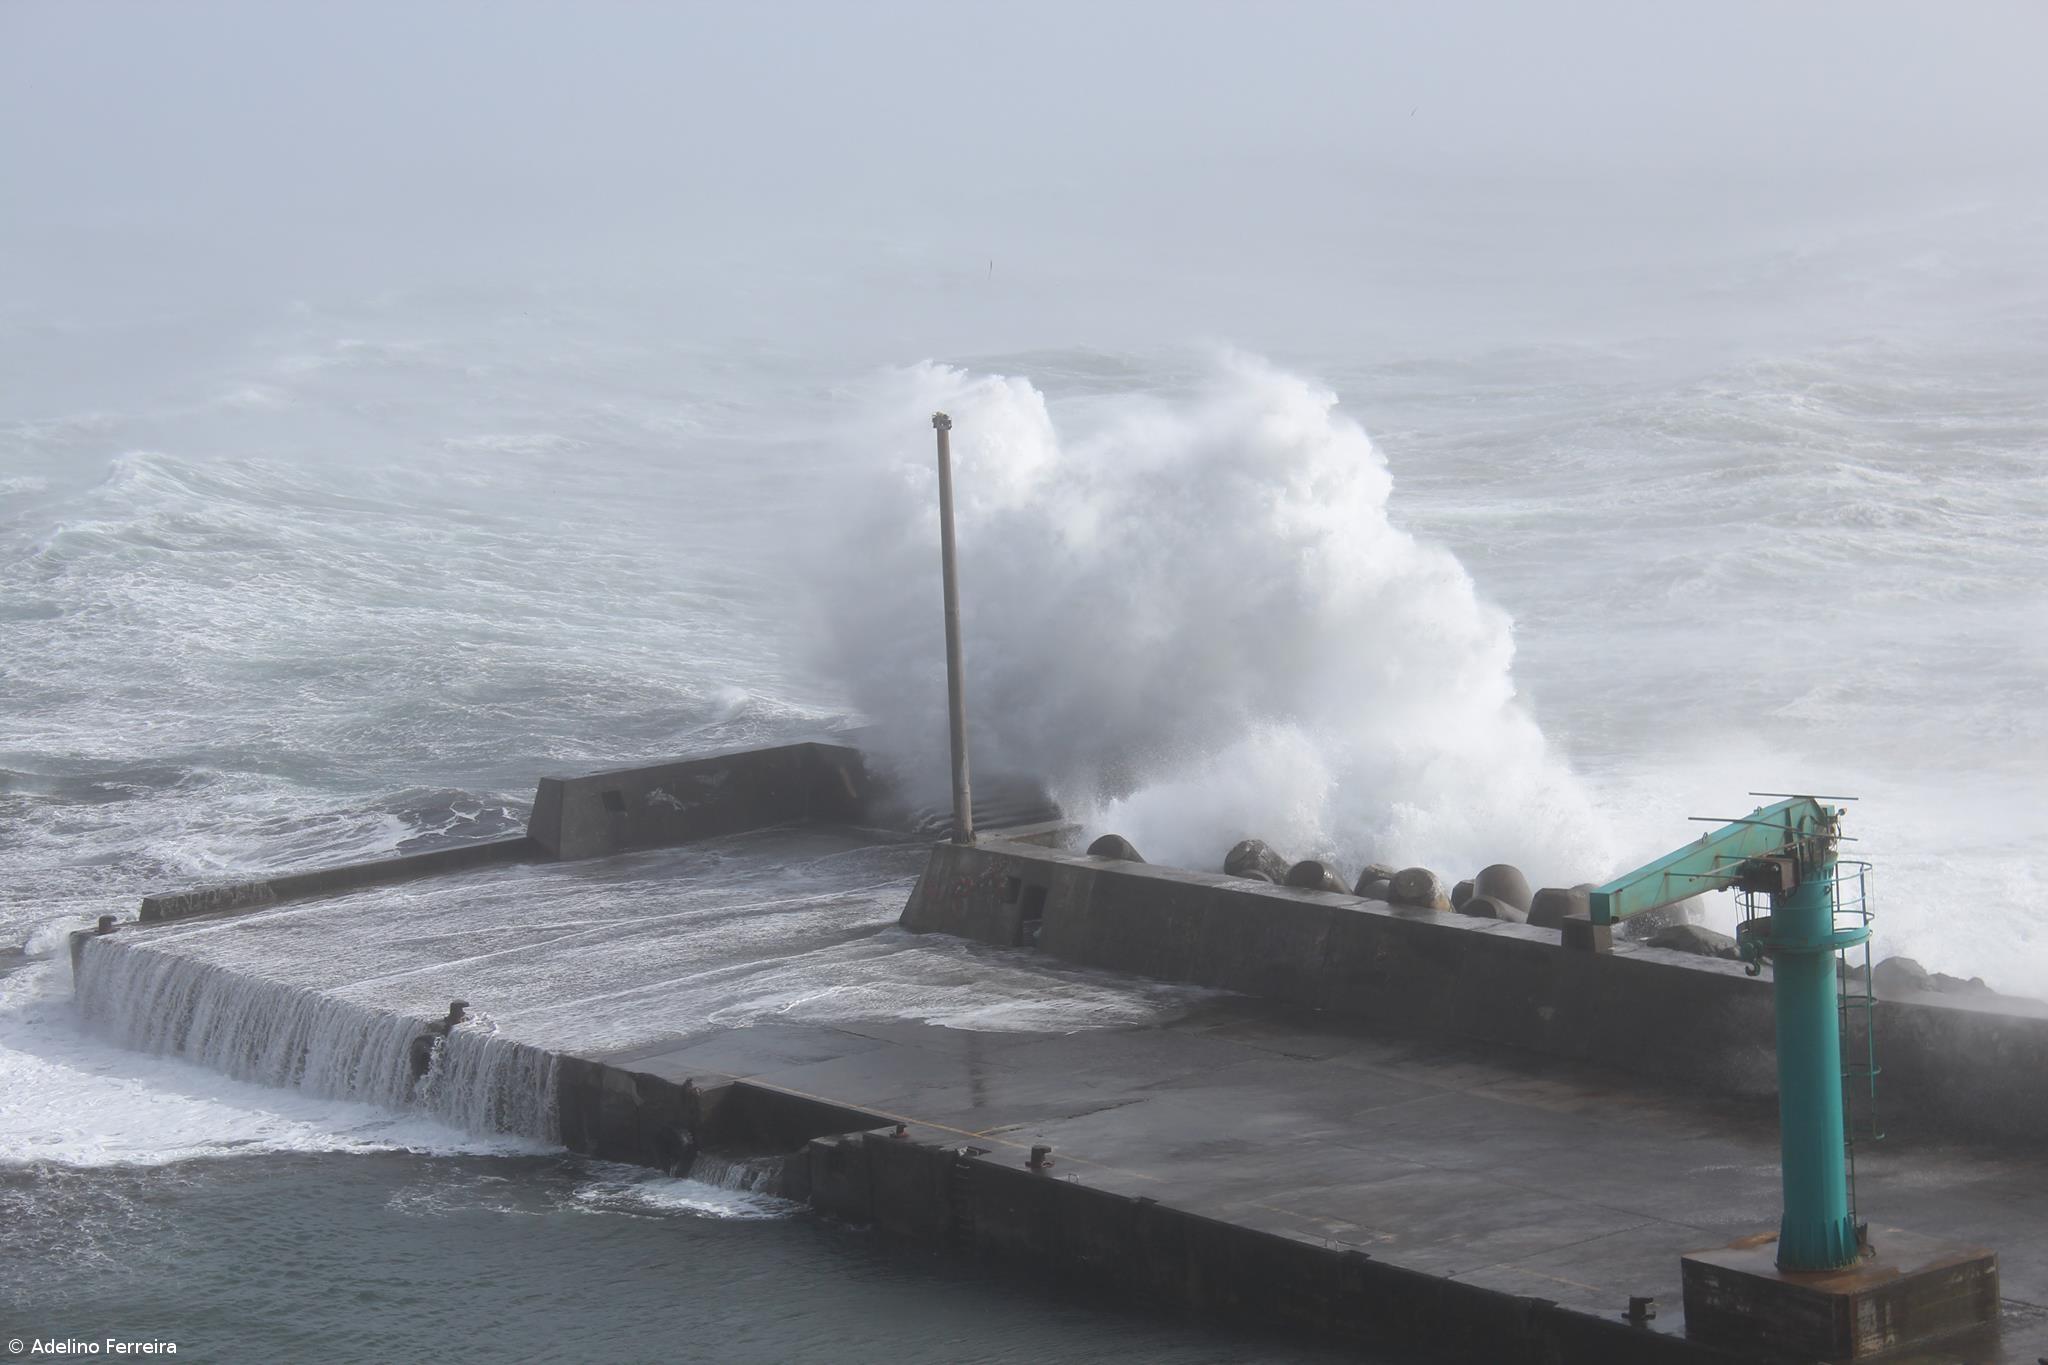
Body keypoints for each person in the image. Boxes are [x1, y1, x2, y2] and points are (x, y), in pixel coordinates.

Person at [409, 1000, 470, 1083]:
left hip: (421, 1046)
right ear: (455, 1012)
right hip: (424, 1048)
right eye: (461, 1011)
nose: (463, 1013)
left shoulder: (444, 1022)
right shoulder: (446, 1027)